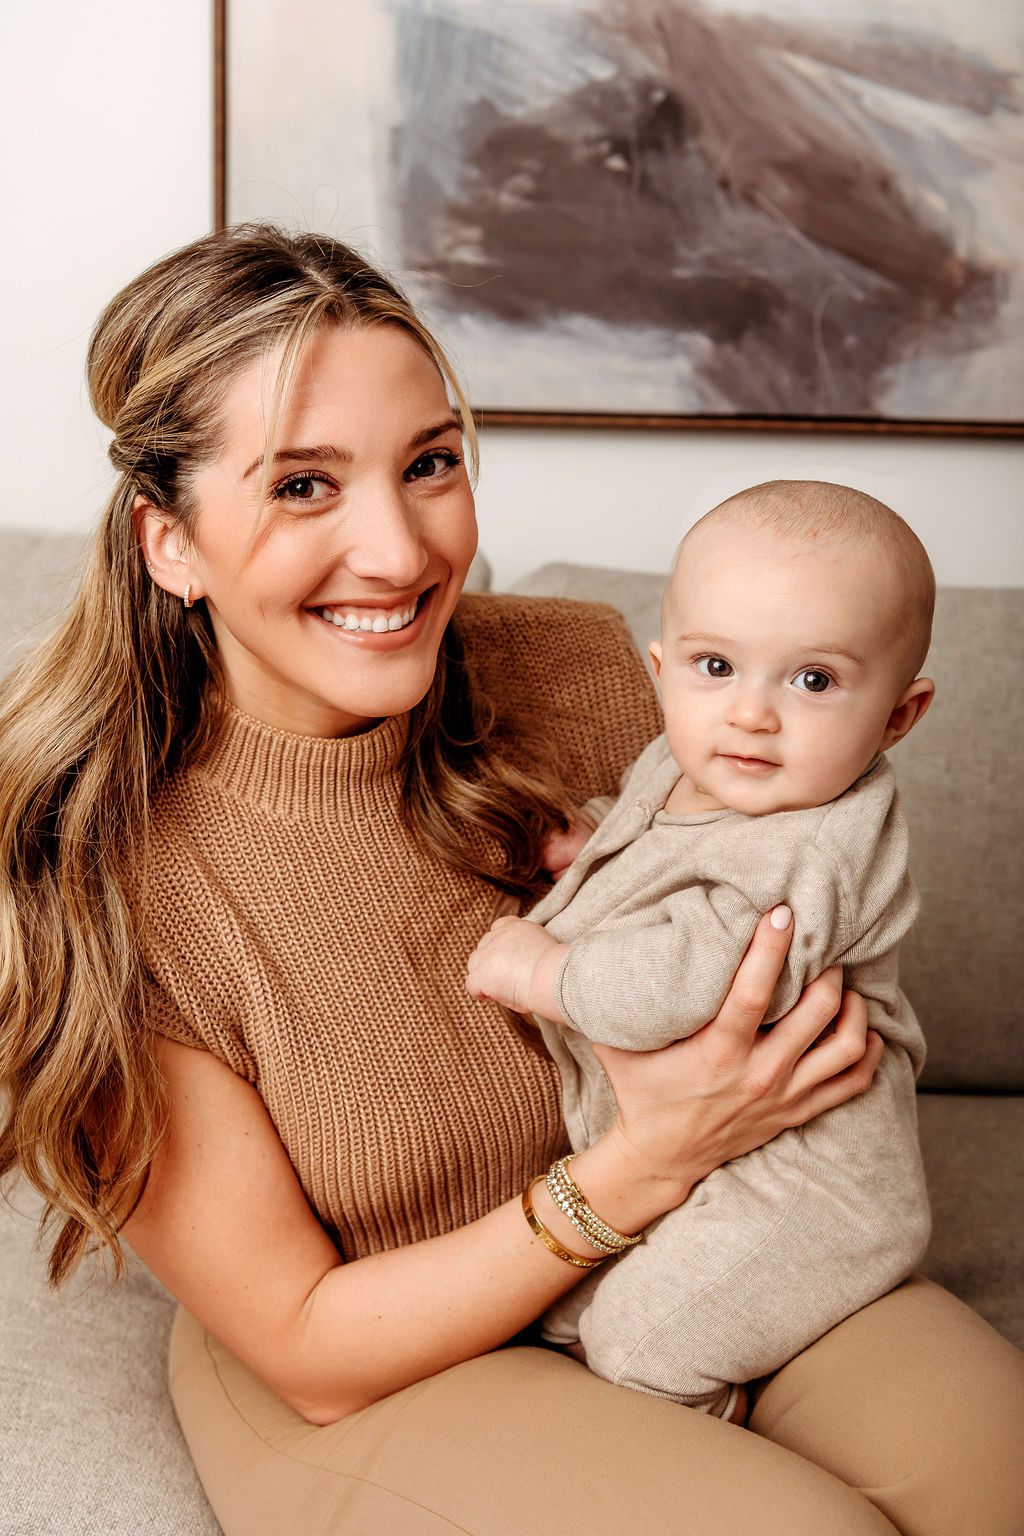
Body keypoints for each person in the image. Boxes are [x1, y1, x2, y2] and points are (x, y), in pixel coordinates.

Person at [0, 225, 1022, 1536]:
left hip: (710, 1241)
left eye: (430, 465)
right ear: (171, 543)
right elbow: (310, 1344)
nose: (400, 549)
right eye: (304, 486)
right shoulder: (96, 871)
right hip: (379, 1355)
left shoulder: (591, 669)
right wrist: (639, 1166)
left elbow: (797, 937)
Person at [466, 482, 934, 1416]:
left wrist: (540, 969)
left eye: (813, 680)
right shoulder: (690, 764)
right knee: (564, 1316)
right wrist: (587, 841)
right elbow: (667, 853)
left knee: (638, 1348)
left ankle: (721, 1439)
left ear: (897, 717)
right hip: (708, 1169)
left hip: (804, 1194)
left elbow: (681, 985)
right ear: (663, 667)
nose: (751, 714)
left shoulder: (812, 844)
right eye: (715, 665)